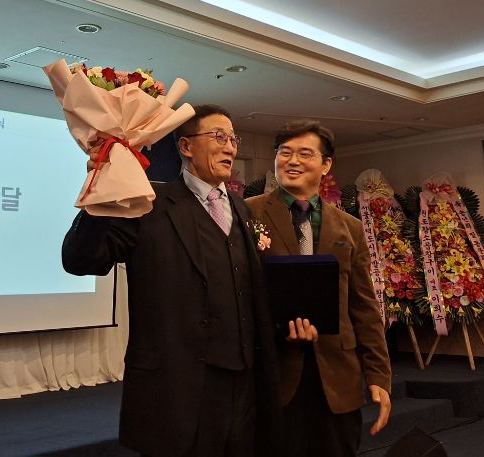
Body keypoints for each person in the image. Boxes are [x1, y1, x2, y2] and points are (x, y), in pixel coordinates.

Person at [62, 105, 305, 457]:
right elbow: (82, 260)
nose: (230, 147)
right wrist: (101, 190)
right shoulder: (148, 202)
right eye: (218, 137)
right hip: (176, 389)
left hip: (244, 388)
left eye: (233, 139)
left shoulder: (242, 210)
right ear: (186, 146)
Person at [245, 119, 392, 457]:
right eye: (285, 153)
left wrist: (378, 376)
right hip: (273, 374)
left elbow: (364, 309)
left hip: (338, 377)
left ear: (326, 165)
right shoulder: (247, 213)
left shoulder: (350, 228)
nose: (292, 161)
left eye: (305, 154)